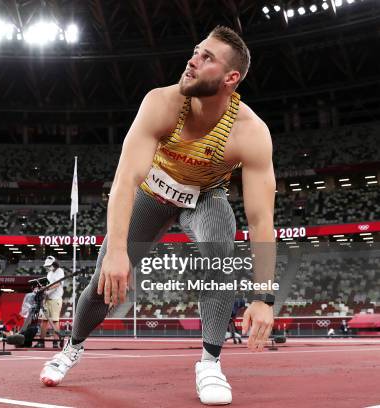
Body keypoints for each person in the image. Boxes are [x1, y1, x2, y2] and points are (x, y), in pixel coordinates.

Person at [39, 25, 276, 406]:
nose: (193, 59)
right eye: (196, 51)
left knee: (221, 248)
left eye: (207, 57)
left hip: (204, 198)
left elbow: (262, 220)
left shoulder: (250, 133)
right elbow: (124, 181)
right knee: (104, 282)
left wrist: (264, 296)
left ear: (231, 78)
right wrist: (117, 250)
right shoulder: (161, 103)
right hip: (151, 193)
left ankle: (210, 363)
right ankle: (72, 347)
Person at [35, 256, 64, 348]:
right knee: (44, 321)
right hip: (47, 299)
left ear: (54, 264)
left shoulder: (60, 271)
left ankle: (55, 342)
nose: (48, 267)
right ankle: (41, 341)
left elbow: (58, 284)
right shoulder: (49, 273)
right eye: (47, 266)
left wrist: (46, 288)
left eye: (50, 265)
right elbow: (48, 284)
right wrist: (43, 290)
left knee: (55, 321)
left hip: (55, 299)